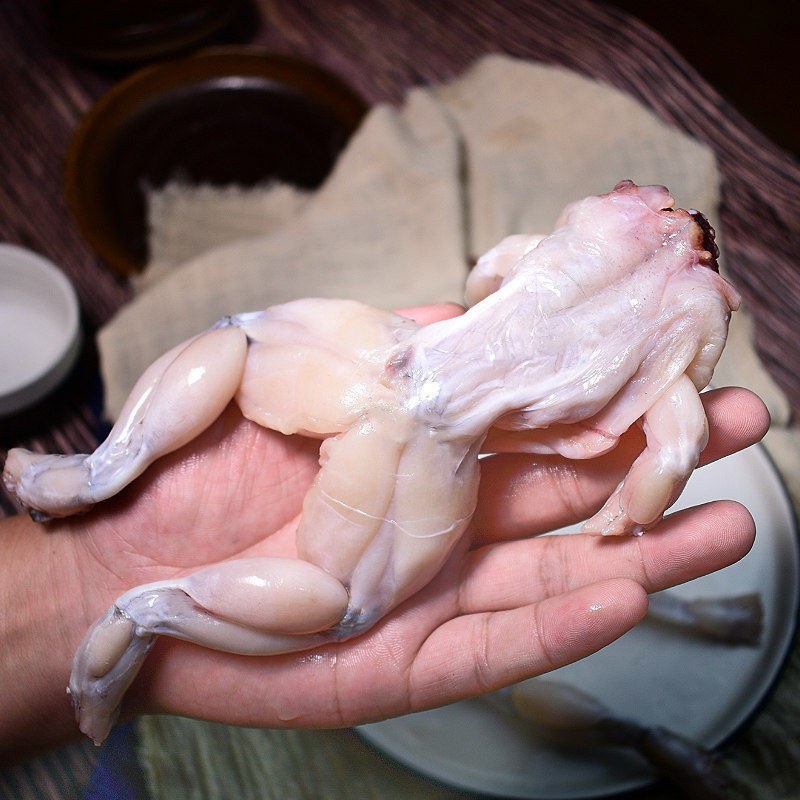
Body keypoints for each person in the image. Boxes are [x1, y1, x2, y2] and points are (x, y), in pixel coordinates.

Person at [0, 304, 770, 766]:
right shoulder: (679, 311)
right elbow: (667, 448)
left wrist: (626, 508)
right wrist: (626, 508)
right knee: (344, 603)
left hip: (391, 373)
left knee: (242, 336)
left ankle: (99, 507)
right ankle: (109, 527)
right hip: (415, 406)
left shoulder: (630, 258)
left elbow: (666, 448)